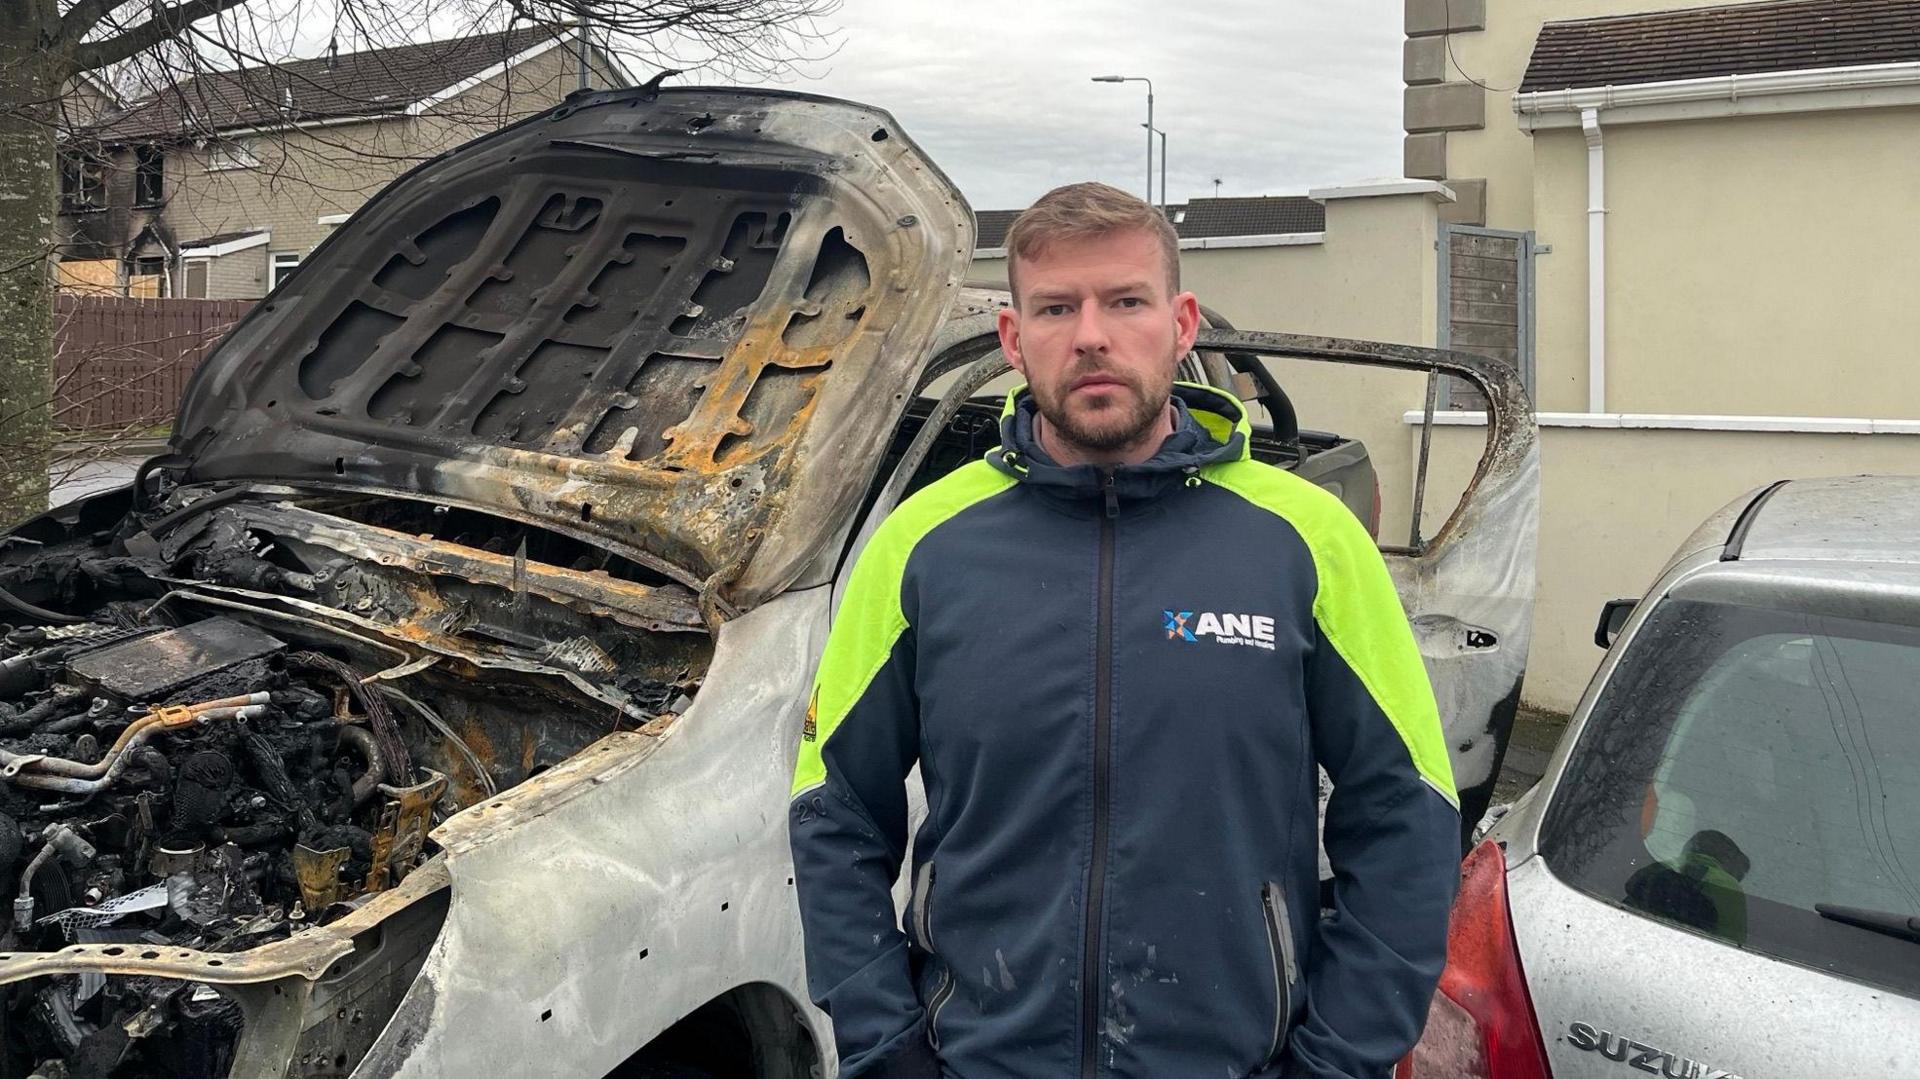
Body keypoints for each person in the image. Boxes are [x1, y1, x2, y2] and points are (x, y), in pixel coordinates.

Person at [788, 181, 1459, 1078]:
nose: (1091, 335)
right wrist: (885, 1045)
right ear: (1013, 338)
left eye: (1126, 301)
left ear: (1181, 325)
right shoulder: (920, 544)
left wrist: (1337, 1061)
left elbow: (1407, 813)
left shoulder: (1309, 541)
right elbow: (832, 811)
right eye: (1056, 308)